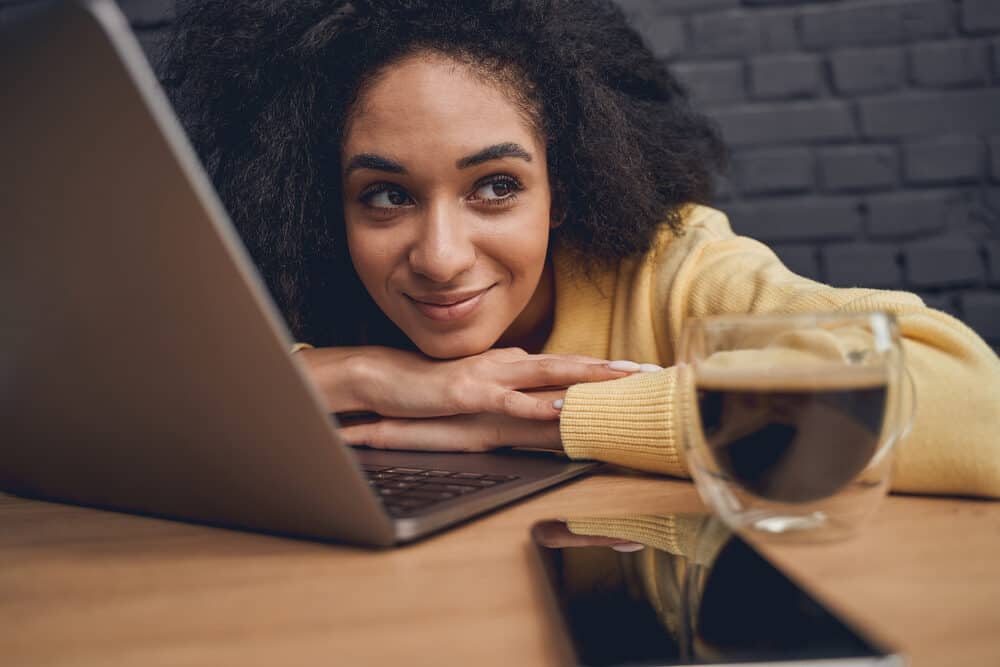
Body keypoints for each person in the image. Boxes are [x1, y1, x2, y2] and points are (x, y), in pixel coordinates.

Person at [163, 0, 1000, 498]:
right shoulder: (309, 280)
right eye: (386, 196)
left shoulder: (673, 270)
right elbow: (100, 411)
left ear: (567, 181)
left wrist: (549, 418)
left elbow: (976, 406)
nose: (443, 256)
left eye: (495, 185)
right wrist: (370, 376)